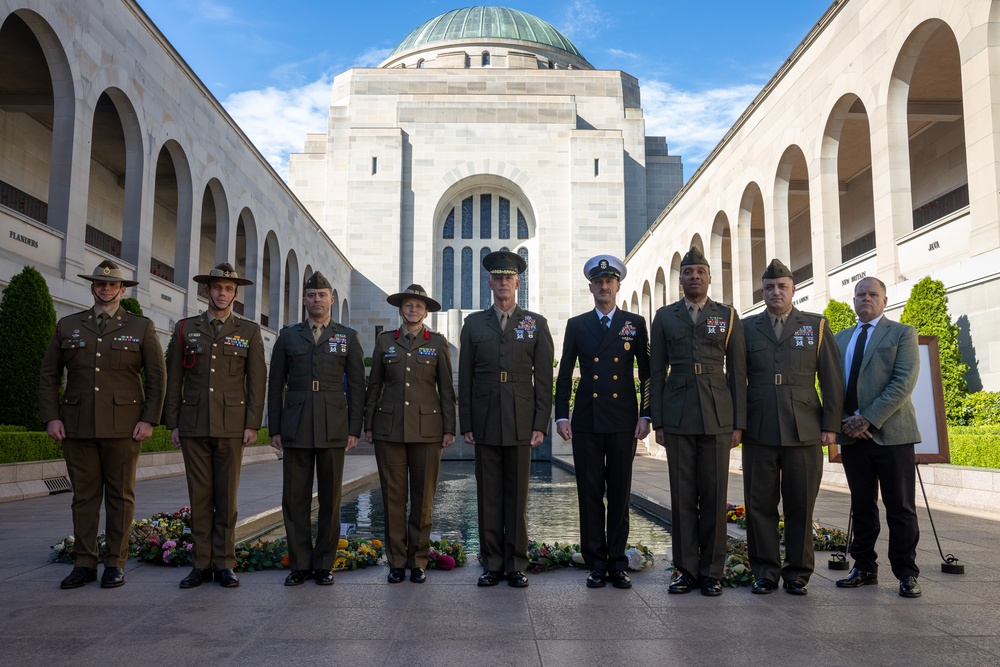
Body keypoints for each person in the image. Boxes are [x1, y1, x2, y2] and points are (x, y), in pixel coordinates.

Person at [39, 260, 165, 589]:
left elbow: (157, 379)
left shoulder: (140, 326)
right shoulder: (68, 325)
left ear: (123, 290)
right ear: (92, 287)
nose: (106, 289)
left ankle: (115, 563)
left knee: (120, 497)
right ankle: (84, 563)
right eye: (100, 283)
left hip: (125, 428)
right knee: (83, 497)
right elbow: (50, 375)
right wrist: (52, 416)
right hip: (77, 426)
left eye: (112, 285)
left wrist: (149, 419)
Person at [742, 258, 843, 595]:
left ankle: (798, 573)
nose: (775, 292)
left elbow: (831, 379)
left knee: (800, 505)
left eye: (782, 286)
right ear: (762, 291)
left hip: (804, 428)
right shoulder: (746, 328)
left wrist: (831, 426)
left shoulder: (814, 325)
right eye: (769, 287)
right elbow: (735, 381)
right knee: (759, 505)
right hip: (759, 428)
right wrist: (738, 426)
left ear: (793, 289)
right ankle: (765, 571)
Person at [649, 247, 746, 597]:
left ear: (709, 277)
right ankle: (686, 570)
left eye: (699, 272)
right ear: (681, 279)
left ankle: (712, 572)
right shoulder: (665, 317)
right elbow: (655, 372)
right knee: (683, 496)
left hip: (718, 416)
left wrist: (739, 423)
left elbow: (738, 373)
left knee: (715, 495)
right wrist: (658, 420)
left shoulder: (728, 315)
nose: (694, 277)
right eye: (688, 272)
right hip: (677, 415)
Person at [163, 262, 266, 589]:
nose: (222, 294)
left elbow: (257, 383)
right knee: (200, 497)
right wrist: (173, 422)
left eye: (228, 289)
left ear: (235, 294)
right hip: (193, 424)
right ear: (206, 291)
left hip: (232, 425)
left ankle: (224, 564)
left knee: (227, 498)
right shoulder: (185, 328)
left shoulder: (248, 331)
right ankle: (200, 565)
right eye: (216, 288)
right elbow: (174, 379)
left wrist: (252, 424)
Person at [459, 250, 554, 588]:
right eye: (497, 278)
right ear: (490, 283)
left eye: (508, 278)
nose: (502, 283)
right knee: (488, 495)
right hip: (485, 418)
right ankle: (491, 562)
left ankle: (515, 564)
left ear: (517, 282)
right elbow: (465, 377)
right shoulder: (473, 324)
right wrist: (466, 423)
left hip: (520, 418)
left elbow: (543, 379)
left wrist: (540, 423)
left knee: (517, 495)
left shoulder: (535, 324)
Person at [555, 255, 650, 590]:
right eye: (598, 282)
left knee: (620, 493)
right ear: (591, 287)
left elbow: (648, 373)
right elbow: (565, 373)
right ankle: (596, 563)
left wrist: (646, 414)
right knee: (590, 492)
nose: (604, 287)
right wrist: (562, 415)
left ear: (618, 286)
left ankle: (618, 562)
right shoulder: (577, 325)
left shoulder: (634, 323)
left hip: (624, 419)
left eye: (609, 282)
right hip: (586, 420)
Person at [268, 271, 365, 586]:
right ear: (304, 300)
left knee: (331, 498)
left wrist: (354, 428)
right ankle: (299, 564)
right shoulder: (288, 336)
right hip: (296, 424)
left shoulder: (347, 336)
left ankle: (324, 564)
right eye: (311, 295)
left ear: (331, 299)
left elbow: (358, 387)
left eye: (322, 295)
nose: (317, 300)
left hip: (333, 425)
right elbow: (276, 384)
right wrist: (275, 428)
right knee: (294, 499)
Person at [834, 277, 923, 598]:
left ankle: (906, 573)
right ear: (853, 300)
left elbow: (903, 381)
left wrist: (867, 418)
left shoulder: (901, 334)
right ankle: (864, 568)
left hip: (893, 436)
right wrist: (845, 420)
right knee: (862, 506)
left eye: (873, 294)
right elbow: (831, 385)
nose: (866, 299)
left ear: (885, 300)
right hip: (852, 438)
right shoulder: (839, 338)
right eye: (861, 295)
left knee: (900, 507)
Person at [364, 285, 456, 584]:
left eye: (418, 306)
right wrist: (368, 424)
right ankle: (396, 561)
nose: (413, 310)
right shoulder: (384, 341)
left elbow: (446, 390)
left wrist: (449, 427)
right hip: (389, 429)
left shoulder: (437, 343)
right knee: (393, 499)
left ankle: (418, 561)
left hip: (428, 431)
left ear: (425, 311)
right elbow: (374, 385)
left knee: (423, 499)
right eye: (408, 305)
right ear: (400, 309)